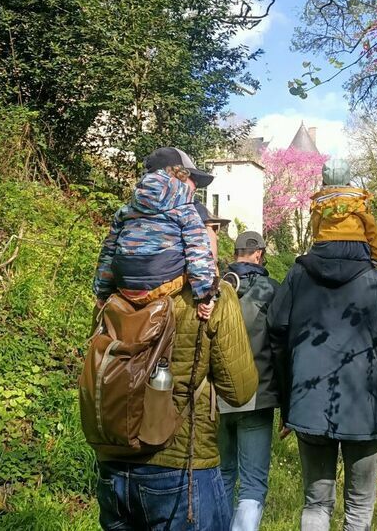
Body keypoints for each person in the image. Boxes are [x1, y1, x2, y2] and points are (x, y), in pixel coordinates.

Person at [94, 216, 260, 530]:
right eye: (209, 232)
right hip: (183, 470)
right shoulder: (212, 297)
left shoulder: (111, 295)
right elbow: (240, 391)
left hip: (112, 467)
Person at [268, 242, 377, 530]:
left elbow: (276, 328)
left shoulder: (298, 274)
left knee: (316, 503)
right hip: (363, 406)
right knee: (359, 504)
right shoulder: (374, 279)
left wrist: (286, 395)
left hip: (308, 401)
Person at [93, 147, 218, 320]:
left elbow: (108, 252)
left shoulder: (127, 209)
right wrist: (206, 296)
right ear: (179, 176)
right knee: (212, 270)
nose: (195, 185)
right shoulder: (185, 207)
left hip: (124, 285)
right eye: (192, 178)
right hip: (161, 284)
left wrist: (102, 293)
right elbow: (198, 250)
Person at [218, 231, 280, 531]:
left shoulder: (215, 287)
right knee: (253, 483)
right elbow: (281, 346)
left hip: (217, 396)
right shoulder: (271, 290)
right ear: (258, 254)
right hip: (258, 395)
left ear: (236, 252)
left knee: (223, 475)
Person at [309, 159, 377, 264]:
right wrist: (376, 256)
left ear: (324, 180)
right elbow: (371, 227)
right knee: (365, 271)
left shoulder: (320, 201)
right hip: (357, 245)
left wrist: (318, 241)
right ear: (348, 180)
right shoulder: (358, 199)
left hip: (326, 244)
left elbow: (315, 227)